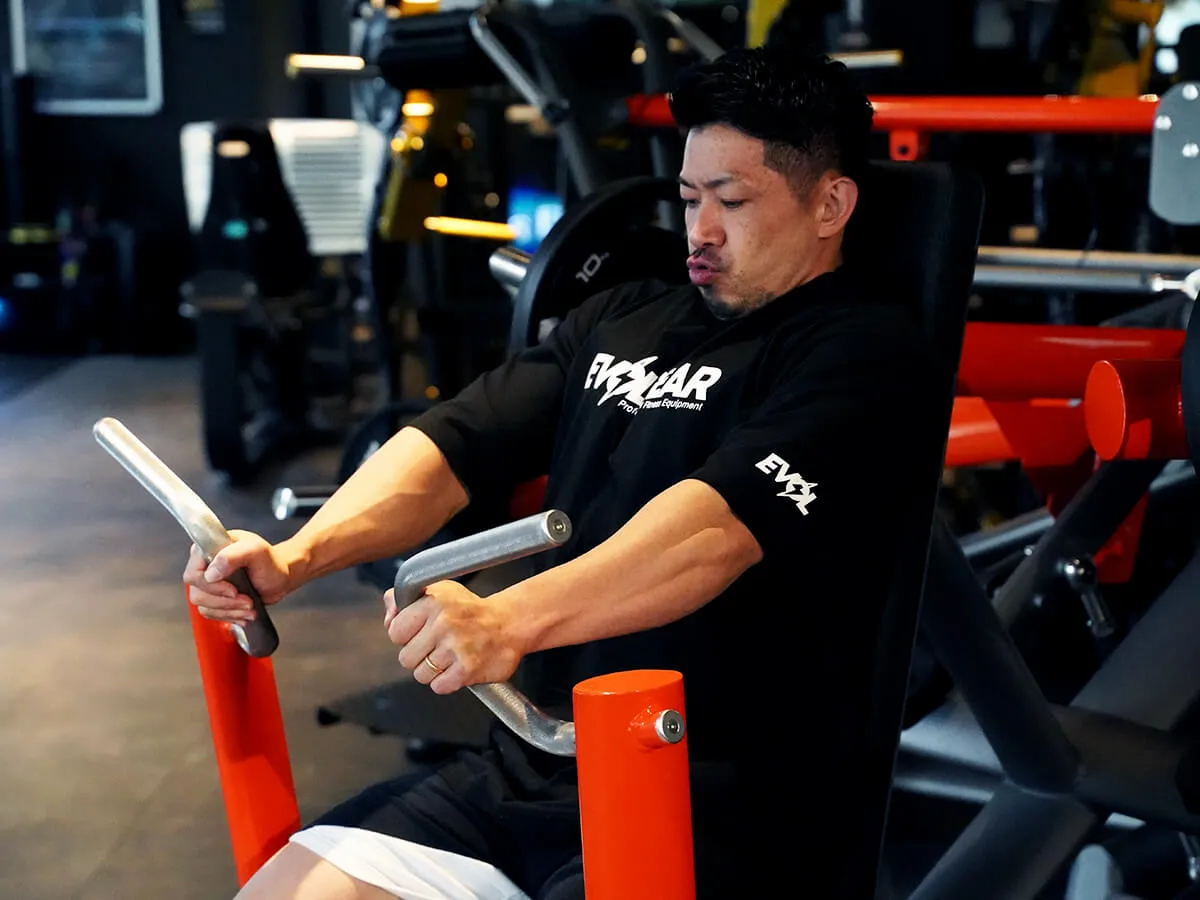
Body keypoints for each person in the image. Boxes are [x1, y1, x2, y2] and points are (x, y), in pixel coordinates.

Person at [185, 44, 936, 900]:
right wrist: (296, 557)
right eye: (690, 198)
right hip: (531, 764)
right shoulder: (626, 316)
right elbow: (456, 443)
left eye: (732, 201)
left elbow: (714, 530)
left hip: (712, 798)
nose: (701, 230)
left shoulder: (861, 354)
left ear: (830, 203)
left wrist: (505, 619)